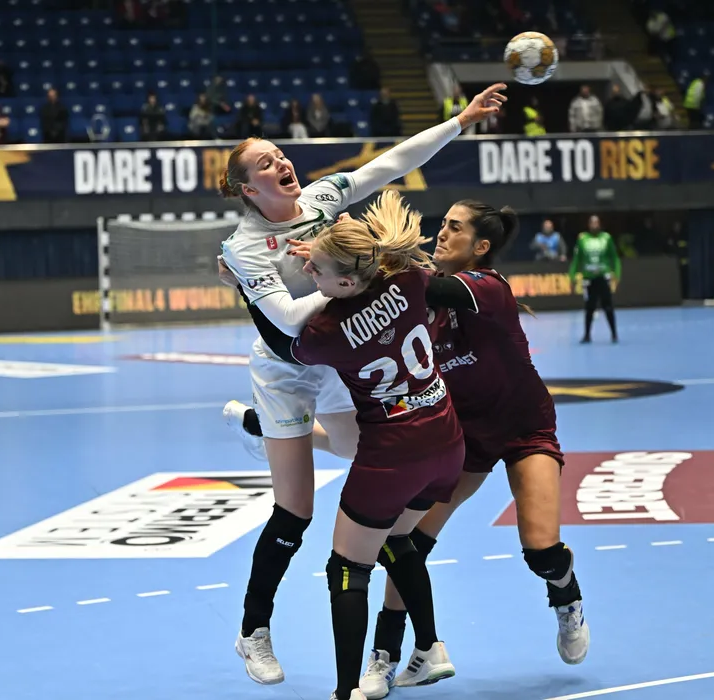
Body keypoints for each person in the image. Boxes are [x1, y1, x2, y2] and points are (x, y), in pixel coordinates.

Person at [216, 83, 507, 685]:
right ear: (248, 189)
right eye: (265, 163)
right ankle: (253, 632)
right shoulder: (244, 249)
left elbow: (391, 162)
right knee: (295, 511)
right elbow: (288, 321)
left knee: (359, 452)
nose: (280, 162)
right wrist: (355, 274)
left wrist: (460, 120)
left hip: (335, 362)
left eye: (279, 153)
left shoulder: (322, 198)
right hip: (286, 370)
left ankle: (260, 430)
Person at [352, 200, 591, 698]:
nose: (441, 233)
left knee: (542, 552)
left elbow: (429, 286)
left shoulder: (487, 287)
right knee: (405, 542)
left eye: (454, 228)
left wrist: (366, 259)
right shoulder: (421, 306)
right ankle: (388, 653)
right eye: (442, 225)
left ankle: (565, 595)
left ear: (480, 246)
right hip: (463, 436)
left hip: (524, 429)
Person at [245, 191, 466, 700]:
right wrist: (328, 252)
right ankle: (429, 645)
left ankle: (346, 693)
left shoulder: (328, 330)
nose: (309, 278)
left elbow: (281, 341)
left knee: (347, 568)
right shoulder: (409, 278)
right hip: (446, 444)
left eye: (317, 272)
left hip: (393, 457)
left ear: (346, 283)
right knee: (396, 539)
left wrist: (247, 287)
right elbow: (378, 273)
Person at [569, 215, 620, 344]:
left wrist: (617, 274)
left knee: (608, 306)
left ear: (600, 224)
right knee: (589, 307)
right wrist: (572, 276)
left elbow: (614, 257)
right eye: (592, 223)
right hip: (589, 278)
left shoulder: (606, 238)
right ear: (588, 224)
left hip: (603, 277)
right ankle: (587, 335)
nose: (594, 225)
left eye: (596, 222)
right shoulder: (583, 239)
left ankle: (614, 334)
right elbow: (577, 259)